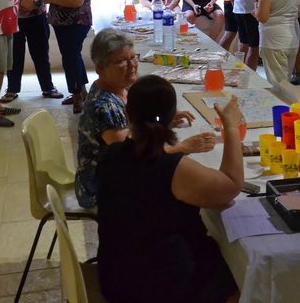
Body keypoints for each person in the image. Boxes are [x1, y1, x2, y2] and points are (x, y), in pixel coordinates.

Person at [97, 78, 280, 303]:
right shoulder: (173, 170)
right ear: (172, 116)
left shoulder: (111, 155)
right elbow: (231, 186)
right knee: (229, 257)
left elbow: (145, 167)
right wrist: (231, 126)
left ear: (127, 114)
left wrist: (174, 141)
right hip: (149, 288)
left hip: (113, 274)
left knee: (171, 236)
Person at [75, 29, 212, 208]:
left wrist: (162, 119)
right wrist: (183, 148)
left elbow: (135, 130)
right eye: (121, 61)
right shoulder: (105, 107)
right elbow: (132, 158)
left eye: (133, 57)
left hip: (119, 173)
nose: (132, 65)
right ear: (100, 68)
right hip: (100, 188)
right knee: (184, 192)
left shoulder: (120, 87)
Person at [1, 0, 62, 103]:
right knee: (14, 55)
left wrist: (36, 1)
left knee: (41, 53)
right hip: (13, 18)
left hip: (37, 15)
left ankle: (48, 87)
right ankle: (12, 90)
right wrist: (19, 3)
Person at [42, 0, 92, 112]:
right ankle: (81, 91)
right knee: (72, 56)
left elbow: (77, 1)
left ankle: (77, 95)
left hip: (76, 22)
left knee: (70, 58)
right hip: (61, 23)